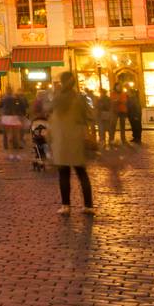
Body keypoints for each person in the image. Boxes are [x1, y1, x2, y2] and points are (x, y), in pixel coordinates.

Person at [50, 71, 95, 216]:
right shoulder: (80, 98)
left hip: (61, 140)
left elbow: (51, 118)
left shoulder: (56, 99)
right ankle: (88, 205)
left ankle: (66, 206)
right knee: (82, 174)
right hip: (76, 139)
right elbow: (89, 116)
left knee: (64, 174)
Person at [0, 87, 27, 158]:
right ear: (12, 91)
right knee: (15, 135)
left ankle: (6, 146)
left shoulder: (4, 98)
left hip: (5, 117)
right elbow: (22, 105)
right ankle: (15, 150)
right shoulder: (15, 98)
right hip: (14, 116)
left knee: (6, 133)